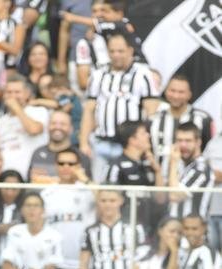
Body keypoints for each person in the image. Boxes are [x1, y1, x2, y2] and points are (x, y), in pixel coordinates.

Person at [79, 32, 159, 183]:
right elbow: (89, 110)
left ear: (130, 50)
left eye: (120, 51)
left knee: (128, 187)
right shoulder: (98, 75)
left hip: (129, 146)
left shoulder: (143, 74)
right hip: (101, 142)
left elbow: (151, 112)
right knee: (101, 187)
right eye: (112, 51)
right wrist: (84, 142)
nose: (116, 55)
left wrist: (147, 148)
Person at [150, 74, 214, 182]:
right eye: (172, 90)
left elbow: (208, 150)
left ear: (189, 94)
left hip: (191, 183)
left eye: (181, 92)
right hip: (160, 184)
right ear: (165, 91)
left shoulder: (203, 119)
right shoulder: (153, 119)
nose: (176, 96)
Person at [0, 74, 49, 178]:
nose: (13, 96)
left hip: (33, 174)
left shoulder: (38, 111)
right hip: (7, 176)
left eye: (17, 92)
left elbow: (34, 130)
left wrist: (17, 109)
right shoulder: (0, 121)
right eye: (9, 92)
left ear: (27, 94)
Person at [168, 123, 214, 221]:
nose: (183, 145)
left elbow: (174, 196)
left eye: (188, 141)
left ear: (198, 142)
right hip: (178, 227)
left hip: (192, 229)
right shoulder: (184, 164)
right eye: (179, 140)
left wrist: (173, 163)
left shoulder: (201, 167)